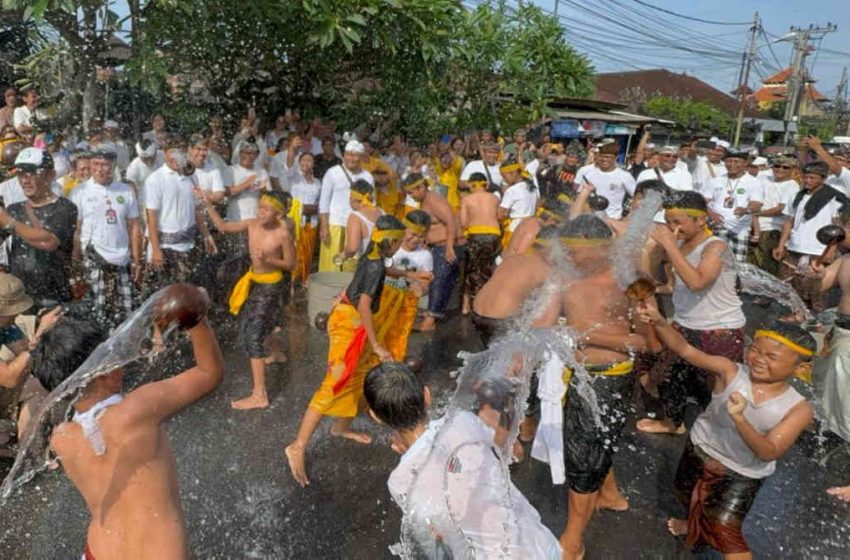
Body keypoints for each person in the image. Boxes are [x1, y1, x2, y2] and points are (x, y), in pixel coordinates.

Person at [31, 286, 223, 560]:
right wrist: (197, 320)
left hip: (97, 553)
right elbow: (209, 373)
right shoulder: (137, 409)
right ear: (104, 369)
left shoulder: (62, 437)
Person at [637, 302, 814, 560]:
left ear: (800, 369)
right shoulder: (729, 370)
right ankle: (692, 526)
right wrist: (660, 322)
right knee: (686, 495)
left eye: (771, 357)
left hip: (742, 473)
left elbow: (769, 451)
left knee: (724, 528)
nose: (758, 359)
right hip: (700, 450)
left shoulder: (799, 408)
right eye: (755, 350)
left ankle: (704, 528)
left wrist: (740, 419)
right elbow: (685, 349)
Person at [535, 215, 650, 560]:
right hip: (575, 373)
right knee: (594, 440)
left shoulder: (631, 281)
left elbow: (651, 342)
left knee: (583, 455)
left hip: (612, 375)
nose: (568, 257)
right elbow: (542, 323)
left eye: (576, 251)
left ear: (604, 249)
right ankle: (611, 495)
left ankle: (573, 539)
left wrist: (583, 334)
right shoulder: (561, 278)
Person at [363, 362, 561, 558]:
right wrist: (509, 405)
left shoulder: (400, 482)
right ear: (427, 396)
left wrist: (411, 456)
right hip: (538, 544)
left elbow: (437, 538)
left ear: (376, 417)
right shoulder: (461, 421)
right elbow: (510, 452)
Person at [285, 215, 406, 487]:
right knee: (335, 381)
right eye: (402, 241)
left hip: (349, 318)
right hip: (349, 323)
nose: (403, 246)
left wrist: (408, 274)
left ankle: (340, 427)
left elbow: (375, 274)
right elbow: (365, 306)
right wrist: (376, 344)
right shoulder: (375, 264)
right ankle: (297, 445)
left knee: (360, 375)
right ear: (392, 241)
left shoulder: (372, 254)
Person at [637, 191, 746, 435]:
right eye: (668, 221)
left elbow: (697, 282)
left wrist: (668, 245)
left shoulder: (716, 247)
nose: (672, 227)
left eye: (678, 222)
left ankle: (724, 434)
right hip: (685, 324)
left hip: (720, 329)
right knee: (667, 376)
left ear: (700, 220)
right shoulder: (678, 246)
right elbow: (665, 284)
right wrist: (649, 253)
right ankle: (673, 422)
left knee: (718, 385)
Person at [202, 190, 295, 410]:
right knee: (264, 319)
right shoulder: (252, 224)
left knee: (253, 334)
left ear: (278, 214)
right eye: (259, 207)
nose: (260, 212)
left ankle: (259, 395)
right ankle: (276, 352)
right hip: (253, 280)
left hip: (271, 284)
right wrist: (208, 206)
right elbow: (224, 228)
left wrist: (270, 259)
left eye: (266, 209)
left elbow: (291, 264)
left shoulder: (282, 234)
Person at [70, 149, 142, 329]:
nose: (100, 169)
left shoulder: (125, 190)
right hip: (94, 258)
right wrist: (75, 260)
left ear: (114, 166)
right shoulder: (80, 191)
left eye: (105, 165)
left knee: (127, 310)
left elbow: (134, 227)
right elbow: (76, 230)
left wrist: (136, 259)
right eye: (96, 164)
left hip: (122, 258)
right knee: (97, 311)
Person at [1, 148, 77, 310]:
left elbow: (48, 241)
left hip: (55, 300)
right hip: (20, 301)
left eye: (32, 173)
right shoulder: (14, 209)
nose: (25, 180)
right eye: (21, 174)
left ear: (50, 175)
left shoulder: (65, 208)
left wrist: (10, 222)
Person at [774, 161, 847, 313]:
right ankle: (795, 315)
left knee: (816, 288)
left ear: (823, 179)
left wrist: (831, 250)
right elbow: (789, 221)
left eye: (812, 178)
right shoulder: (797, 196)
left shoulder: (834, 198)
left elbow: (838, 227)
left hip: (819, 249)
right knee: (788, 283)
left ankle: (817, 322)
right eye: (805, 177)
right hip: (795, 246)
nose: (807, 181)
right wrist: (781, 245)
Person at [144, 135, 215, 290]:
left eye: (181, 152)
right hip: (166, 247)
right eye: (173, 152)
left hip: (189, 245)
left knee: (188, 293)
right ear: (164, 153)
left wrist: (206, 235)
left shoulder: (191, 176)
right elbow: (151, 218)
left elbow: (197, 209)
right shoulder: (155, 179)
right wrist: (156, 250)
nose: (177, 156)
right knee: (168, 295)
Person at [0, 275, 61, 452]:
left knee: (37, 386)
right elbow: (10, 378)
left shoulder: (6, 325)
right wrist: (40, 333)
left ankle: (27, 451)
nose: (17, 314)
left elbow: (28, 356)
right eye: (13, 310)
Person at [472, 225, 559, 346]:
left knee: (491, 356)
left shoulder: (514, 258)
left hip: (477, 312)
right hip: (500, 320)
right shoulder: (547, 269)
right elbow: (547, 321)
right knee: (510, 361)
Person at [404, 174, 461, 332]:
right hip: (437, 246)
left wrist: (449, 247)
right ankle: (431, 312)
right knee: (435, 279)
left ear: (421, 188)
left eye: (412, 192)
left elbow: (451, 221)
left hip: (446, 246)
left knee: (438, 281)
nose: (411, 196)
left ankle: (430, 321)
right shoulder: (425, 200)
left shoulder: (434, 200)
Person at [376, 210, 433, 360]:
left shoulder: (425, 256)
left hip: (405, 305)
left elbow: (425, 283)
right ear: (404, 228)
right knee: (377, 333)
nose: (415, 240)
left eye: (421, 236)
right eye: (412, 234)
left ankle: (393, 369)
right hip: (383, 299)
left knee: (398, 339)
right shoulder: (391, 247)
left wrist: (421, 288)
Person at [317, 139, 373, 271]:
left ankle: (348, 290)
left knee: (352, 265)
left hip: (357, 225)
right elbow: (324, 202)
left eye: (355, 155)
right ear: (344, 156)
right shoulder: (332, 173)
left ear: (361, 157)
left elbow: (371, 204)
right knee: (332, 264)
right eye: (348, 154)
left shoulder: (368, 177)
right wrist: (324, 226)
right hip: (334, 224)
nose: (351, 158)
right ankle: (329, 290)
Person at [705, 149, 763, 263]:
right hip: (716, 227)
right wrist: (711, 214)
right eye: (729, 161)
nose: (732, 164)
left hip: (739, 230)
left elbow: (757, 204)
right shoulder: (715, 180)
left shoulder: (754, 182)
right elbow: (704, 201)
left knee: (737, 265)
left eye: (736, 161)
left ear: (745, 163)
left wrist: (746, 210)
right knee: (712, 262)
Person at [747, 155, 799, 275]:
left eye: (785, 167)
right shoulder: (764, 179)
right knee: (751, 265)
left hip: (772, 230)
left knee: (767, 266)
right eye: (777, 166)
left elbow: (780, 209)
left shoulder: (792, 185)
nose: (780, 169)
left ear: (792, 169)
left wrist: (756, 213)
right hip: (751, 226)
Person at [459, 172, 501, 315]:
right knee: (489, 269)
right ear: (486, 184)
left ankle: (466, 305)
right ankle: (487, 303)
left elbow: (464, 223)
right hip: (494, 236)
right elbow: (498, 217)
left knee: (472, 270)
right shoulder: (495, 198)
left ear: (471, 184)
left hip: (476, 235)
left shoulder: (467, 199)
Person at [574, 139, 636, 220]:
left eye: (608, 157)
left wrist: (628, 217)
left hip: (613, 220)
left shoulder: (624, 176)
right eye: (601, 156)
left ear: (615, 158)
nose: (604, 160)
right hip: (588, 219)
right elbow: (577, 194)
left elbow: (636, 197)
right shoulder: (586, 172)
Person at [288, 151, 321, 288]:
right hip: (296, 220)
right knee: (295, 249)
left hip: (312, 221)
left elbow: (320, 202)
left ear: (313, 164)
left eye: (309, 160)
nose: (305, 163)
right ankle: (291, 280)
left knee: (308, 250)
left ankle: (304, 278)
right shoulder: (293, 178)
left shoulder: (318, 182)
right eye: (303, 160)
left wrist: (315, 210)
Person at [339, 179, 384, 268]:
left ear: (353, 199)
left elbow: (352, 248)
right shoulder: (382, 212)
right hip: (382, 264)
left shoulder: (355, 217)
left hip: (366, 267)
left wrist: (341, 257)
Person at [503, 196, 568, 258]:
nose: (556, 227)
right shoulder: (534, 228)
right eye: (557, 223)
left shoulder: (530, 221)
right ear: (551, 219)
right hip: (510, 265)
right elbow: (518, 255)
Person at [499, 155, 539, 249]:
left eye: (504, 176)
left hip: (515, 229)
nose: (503, 179)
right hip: (532, 227)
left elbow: (501, 214)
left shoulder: (512, 190)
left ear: (513, 173)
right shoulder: (531, 187)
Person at [225, 141, 271, 223]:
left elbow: (269, 196)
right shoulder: (231, 170)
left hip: (256, 213)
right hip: (236, 213)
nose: (250, 156)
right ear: (240, 154)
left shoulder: (262, 171)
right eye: (247, 153)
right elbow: (226, 193)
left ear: (257, 156)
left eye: (254, 154)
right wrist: (245, 184)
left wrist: (263, 190)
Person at [188, 133, 225, 204]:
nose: (202, 153)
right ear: (190, 149)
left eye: (205, 150)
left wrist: (202, 194)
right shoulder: (181, 169)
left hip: (206, 211)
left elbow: (219, 195)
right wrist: (209, 194)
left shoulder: (214, 170)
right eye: (198, 149)